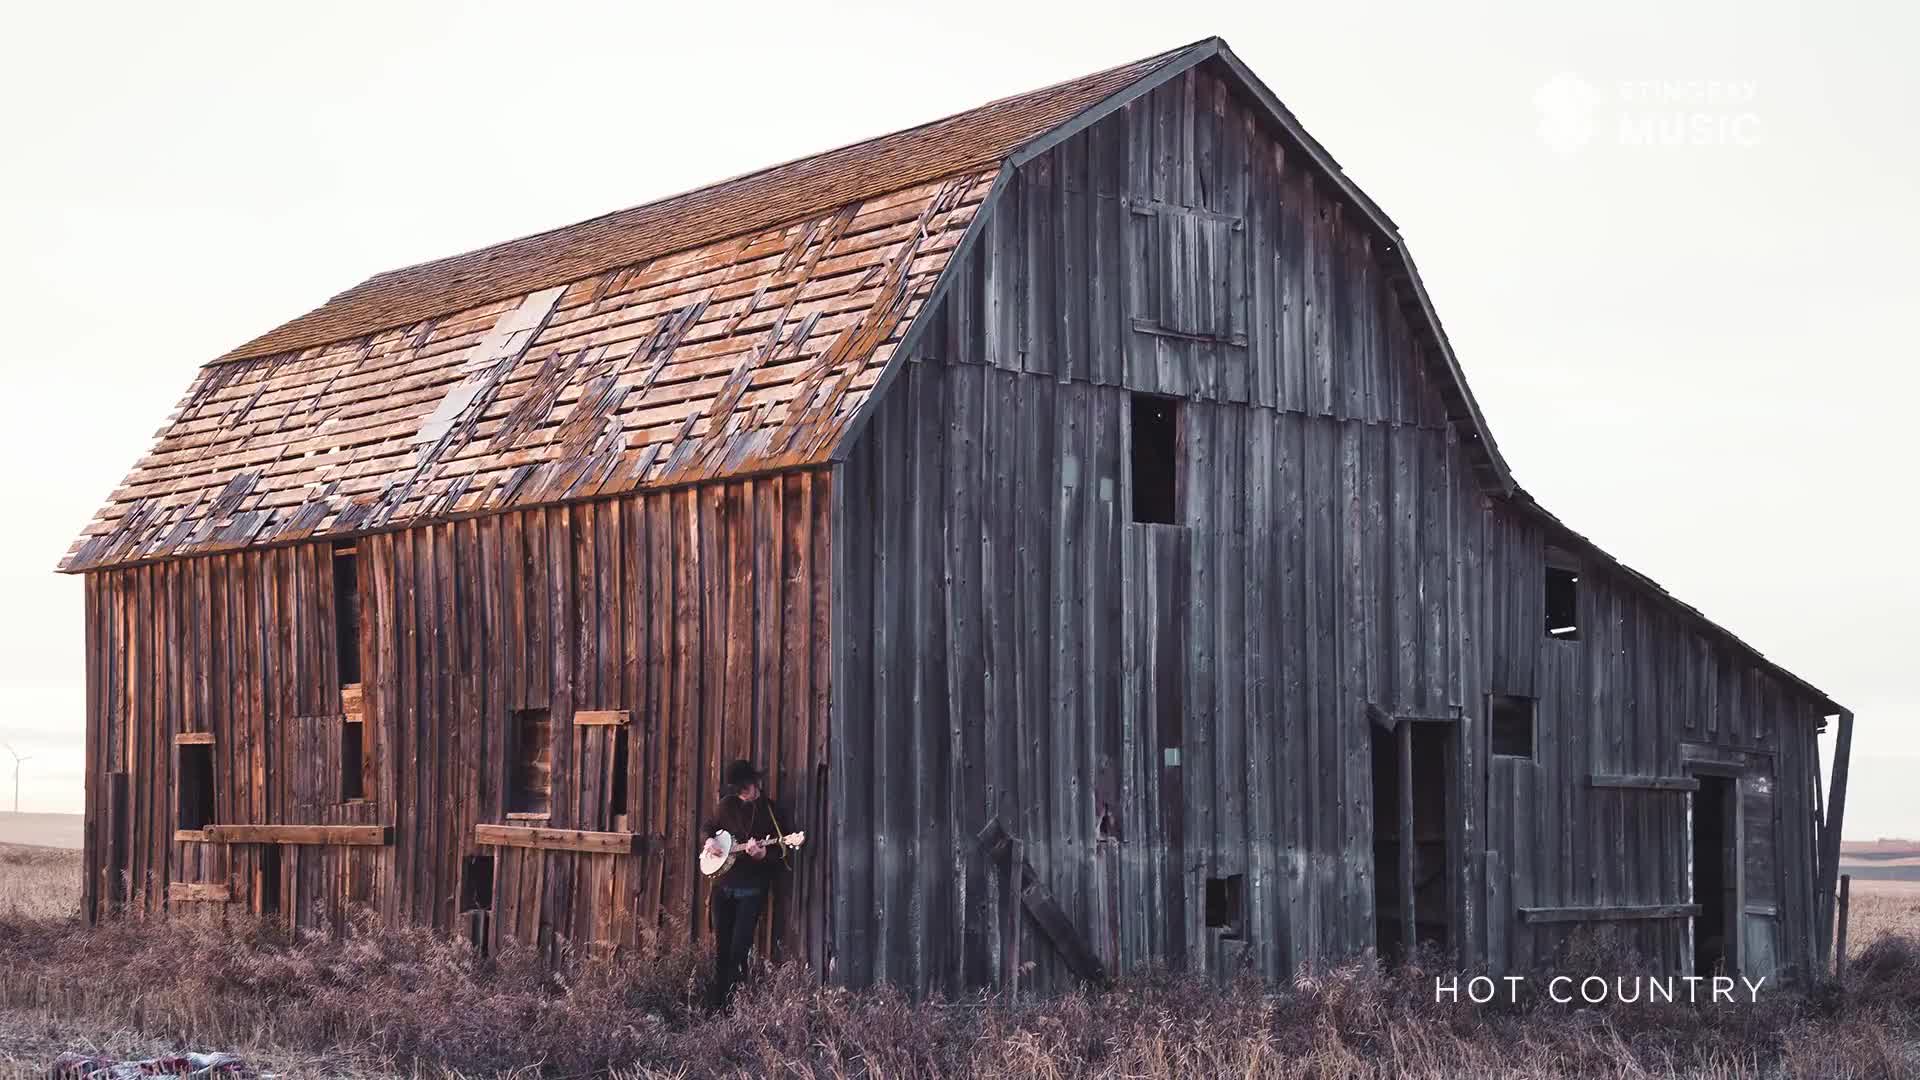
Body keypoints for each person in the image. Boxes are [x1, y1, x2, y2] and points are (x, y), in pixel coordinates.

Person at [700, 758, 794, 1010]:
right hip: (723, 888)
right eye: (743, 788)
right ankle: (716, 1006)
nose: (749, 791)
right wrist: (709, 841)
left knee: (739, 949)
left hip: (751, 889)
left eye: (749, 786)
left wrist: (764, 855)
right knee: (722, 949)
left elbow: (783, 848)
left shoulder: (770, 811)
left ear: (755, 783)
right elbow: (709, 826)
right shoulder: (726, 806)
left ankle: (734, 1008)